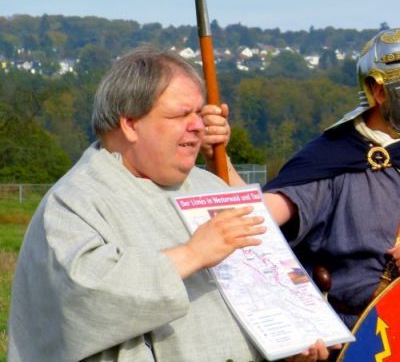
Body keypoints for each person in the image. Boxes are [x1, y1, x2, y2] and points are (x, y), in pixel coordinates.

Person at [8, 47, 330, 362]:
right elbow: (85, 297)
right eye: (181, 114)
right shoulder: (73, 204)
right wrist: (193, 254)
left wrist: (285, 346)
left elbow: (260, 287)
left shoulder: (211, 188)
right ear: (130, 124)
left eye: (199, 113)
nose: (199, 126)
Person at [205, 28, 400, 329]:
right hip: (362, 340)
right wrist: (220, 156)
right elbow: (256, 215)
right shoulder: (332, 156)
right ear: (380, 91)